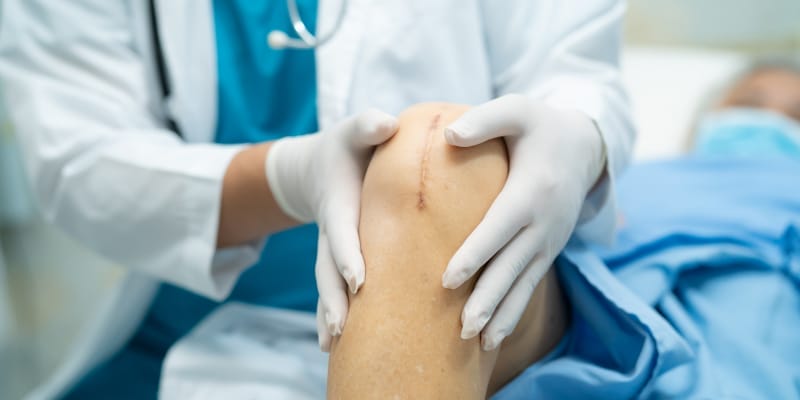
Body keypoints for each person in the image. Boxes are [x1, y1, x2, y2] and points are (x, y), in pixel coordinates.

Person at [0, 0, 634, 398]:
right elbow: (79, 160)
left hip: (476, 297)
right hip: (192, 321)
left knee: (430, 157)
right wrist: (285, 176)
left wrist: (580, 136)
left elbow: (574, 67)